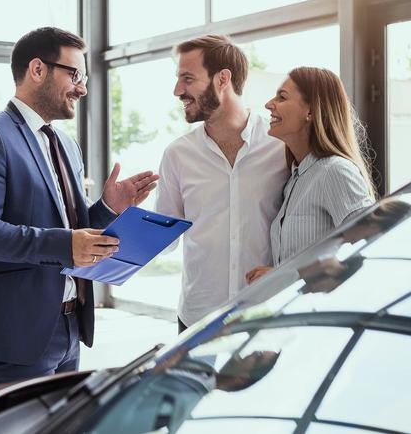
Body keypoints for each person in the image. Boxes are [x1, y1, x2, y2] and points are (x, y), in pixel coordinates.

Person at [0, 27, 158, 387]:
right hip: (14, 334)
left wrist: (109, 207)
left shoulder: (66, 144)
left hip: (68, 326)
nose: (83, 88)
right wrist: (65, 245)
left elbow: (71, 229)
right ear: (37, 69)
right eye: (75, 74)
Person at [155, 35, 289, 333]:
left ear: (222, 79)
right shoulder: (178, 155)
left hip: (265, 314)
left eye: (187, 79)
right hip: (197, 318)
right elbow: (163, 240)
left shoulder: (280, 146)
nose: (178, 91)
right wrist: (118, 214)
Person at [246, 66, 374, 285]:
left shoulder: (335, 171)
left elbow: (368, 250)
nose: (269, 104)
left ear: (311, 111)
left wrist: (283, 276)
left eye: (282, 97)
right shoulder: (295, 178)